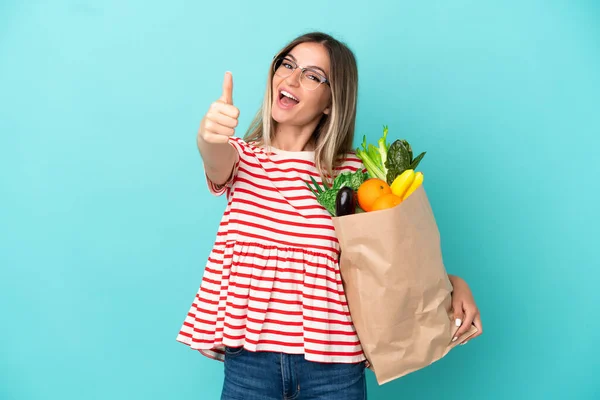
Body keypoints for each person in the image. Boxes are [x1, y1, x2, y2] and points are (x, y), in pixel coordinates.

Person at [176, 32, 483, 400]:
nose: (290, 78)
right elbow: (215, 157)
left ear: (330, 102)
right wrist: (210, 136)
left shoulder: (354, 175)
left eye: (311, 74)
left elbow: (387, 261)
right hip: (250, 364)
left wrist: (454, 283)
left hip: (335, 368)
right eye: (287, 65)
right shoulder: (242, 159)